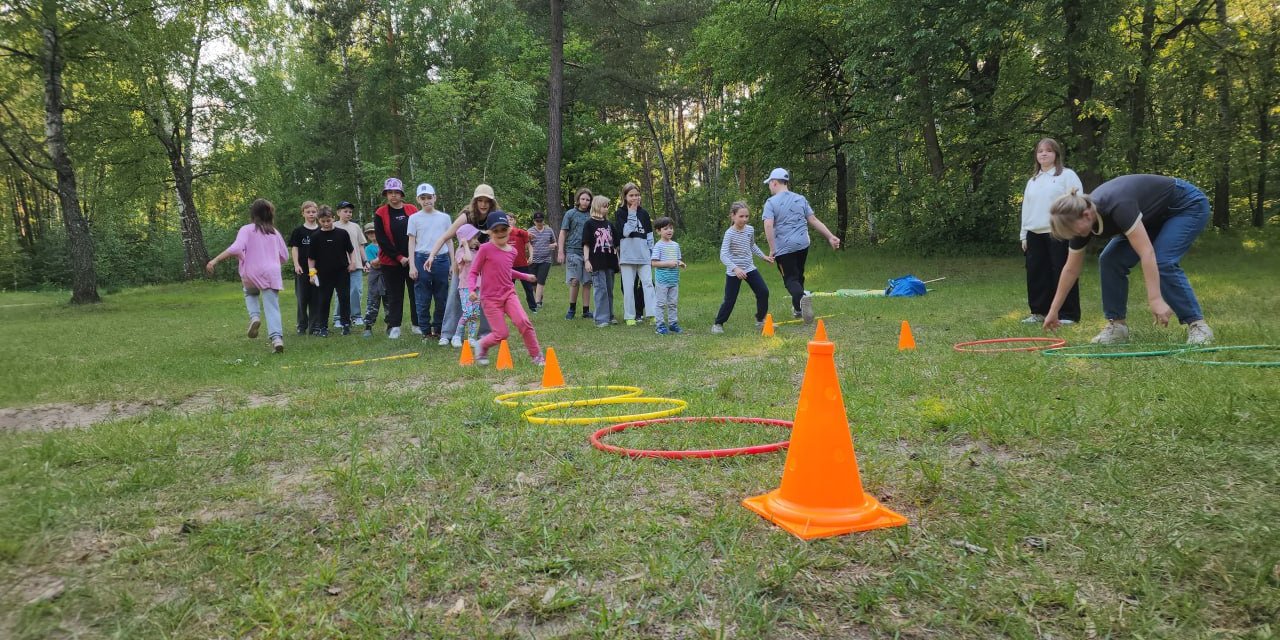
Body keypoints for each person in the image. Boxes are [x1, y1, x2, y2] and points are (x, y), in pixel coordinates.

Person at [1044, 175, 1214, 345]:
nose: (1073, 236)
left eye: (1073, 230)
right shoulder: (1078, 222)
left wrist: (1155, 299)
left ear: (1087, 215)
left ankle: (1198, 325)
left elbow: (1147, 253)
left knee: (1164, 261)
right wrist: (1054, 310)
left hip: (1185, 206)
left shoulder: (1118, 206)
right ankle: (1117, 327)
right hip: (1151, 218)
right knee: (1110, 259)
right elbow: (1071, 269)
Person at [206, 198, 290, 353]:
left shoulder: (246, 229)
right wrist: (271, 260)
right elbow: (284, 256)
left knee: (250, 293)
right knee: (272, 307)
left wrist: (215, 260)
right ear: (269, 214)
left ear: (253, 214)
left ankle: (255, 316)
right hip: (271, 272)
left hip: (251, 271)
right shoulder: (274, 232)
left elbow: (236, 248)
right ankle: (277, 339)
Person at [761, 168, 840, 324]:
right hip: (802, 245)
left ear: (775, 182)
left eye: (769, 183)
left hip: (784, 248)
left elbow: (768, 225)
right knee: (798, 276)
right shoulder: (800, 199)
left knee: (790, 280)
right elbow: (813, 220)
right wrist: (830, 237)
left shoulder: (771, 203)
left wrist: (772, 248)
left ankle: (802, 296)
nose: (769, 186)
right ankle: (798, 309)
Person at [426, 185, 499, 346]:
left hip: (485, 265)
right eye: (480, 200)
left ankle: (485, 333)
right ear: (474, 201)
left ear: (492, 203)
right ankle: (448, 333)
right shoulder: (467, 217)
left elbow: (502, 237)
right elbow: (445, 237)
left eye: (487, 201)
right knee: (456, 297)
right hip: (464, 264)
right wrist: (431, 255)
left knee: (486, 298)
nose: (483, 204)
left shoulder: (495, 217)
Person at [467, 212, 543, 366]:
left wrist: (525, 276)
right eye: (496, 230)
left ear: (510, 229)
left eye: (504, 229)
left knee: (524, 322)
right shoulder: (485, 249)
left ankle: (537, 356)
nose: (500, 233)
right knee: (501, 334)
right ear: (489, 232)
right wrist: (472, 290)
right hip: (490, 298)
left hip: (509, 294)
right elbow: (474, 271)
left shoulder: (513, 251)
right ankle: (482, 344)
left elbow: (507, 270)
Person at [1020, 139, 1082, 325]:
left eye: (1048, 151)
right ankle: (1038, 312)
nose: (1044, 154)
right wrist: (1024, 234)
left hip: (1059, 231)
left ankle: (1067, 314)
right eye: (1040, 151)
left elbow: (1078, 202)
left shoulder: (1067, 176)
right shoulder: (1033, 181)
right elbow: (1026, 208)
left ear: (1056, 154)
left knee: (1062, 271)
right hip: (1034, 233)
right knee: (1037, 273)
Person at [712, 202, 774, 334]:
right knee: (730, 299)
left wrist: (763, 257)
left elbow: (752, 245)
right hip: (734, 271)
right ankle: (718, 324)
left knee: (763, 292)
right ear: (733, 216)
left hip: (749, 267)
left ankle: (760, 320)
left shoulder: (750, 230)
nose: (744, 219)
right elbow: (723, 255)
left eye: (747, 216)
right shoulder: (729, 233)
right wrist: (735, 269)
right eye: (741, 216)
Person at [371, 178, 419, 339]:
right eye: (390, 193)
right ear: (386, 194)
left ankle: (417, 324)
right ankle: (395, 326)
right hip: (390, 261)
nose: (393, 196)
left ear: (401, 194)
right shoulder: (380, 212)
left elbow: (419, 231)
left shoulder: (412, 209)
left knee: (415, 293)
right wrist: (399, 257)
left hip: (412, 259)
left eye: (396, 192)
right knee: (394, 294)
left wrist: (411, 258)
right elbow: (381, 239)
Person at [407, 183, 452, 340]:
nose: (427, 201)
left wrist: (452, 263)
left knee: (442, 297)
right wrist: (412, 265)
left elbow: (449, 241)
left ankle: (439, 328)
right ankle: (425, 331)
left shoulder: (444, 218)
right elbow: (411, 242)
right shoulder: (413, 218)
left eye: (429, 197)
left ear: (435, 197)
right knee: (422, 298)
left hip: (441, 260)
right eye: (423, 198)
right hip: (421, 258)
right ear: (418, 200)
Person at [306, 206, 356, 337]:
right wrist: (312, 274)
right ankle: (323, 327)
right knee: (324, 300)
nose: (326, 224)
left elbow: (351, 250)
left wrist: (353, 263)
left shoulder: (342, 233)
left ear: (333, 218)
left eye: (328, 220)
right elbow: (311, 258)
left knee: (344, 298)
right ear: (319, 221)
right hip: (323, 273)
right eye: (323, 221)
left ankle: (346, 325)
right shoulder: (315, 236)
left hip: (342, 271)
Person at [615, 183, 656, 325]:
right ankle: (630, 316)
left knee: (648, 284)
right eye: (631, 195)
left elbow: (649, 235)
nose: (634, 198)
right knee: (628, 287)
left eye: (637, 195)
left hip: (644, 256)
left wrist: (652, 253)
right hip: (627, 256)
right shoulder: (620, 213)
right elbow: (625, 232)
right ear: (625, 197)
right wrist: (632, 213)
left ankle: (652, 314)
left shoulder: (644, 213)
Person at [582, 195, 619, 328]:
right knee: (600, 289)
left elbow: (615, 244)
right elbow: (586, 244)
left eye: (607, 206)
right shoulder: (589, 224)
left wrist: (618, 260)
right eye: (604, 206)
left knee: (609, 289)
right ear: (597, 206)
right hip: (596, 262)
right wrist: (586, 260)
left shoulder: (609, 224)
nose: (606, 209)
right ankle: (600, 319)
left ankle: (609, 315)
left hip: (610, 261)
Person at [558, 188, 594, 320]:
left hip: (588, 253)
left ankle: (586, 310)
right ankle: (572, 308)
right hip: (573, 251)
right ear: (578, 199)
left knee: (587, 282)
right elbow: (563, 232)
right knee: (574, 280)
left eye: (588, 200)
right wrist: (561, 251)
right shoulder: (570, 214)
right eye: (583, 199)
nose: (585, 202)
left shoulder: (592, 215)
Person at [286, 201, 320, 335]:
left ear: (317, 212)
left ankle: (315, 326)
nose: (311, 214)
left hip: (318, 270)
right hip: (302, 269)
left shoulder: (321, 229)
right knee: (302, 297)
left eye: (313, 212)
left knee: (316, 298)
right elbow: (295, 249)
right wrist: (296, 265)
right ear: (303, 214)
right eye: (308, 212)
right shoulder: (298, 231)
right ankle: (301, 325)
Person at [332, 201, 366, 328]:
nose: (348, 214)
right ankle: (338, 317)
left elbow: (361, 245)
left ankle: (356, 316)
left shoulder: (355, 227)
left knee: (356, 291)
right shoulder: (333, 226)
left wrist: (365, 261)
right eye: (345, 211)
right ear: (338, 212)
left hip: (356, 264)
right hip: (339, 265)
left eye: (350, 212)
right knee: (340, 292)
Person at [649, 216, 685, 335]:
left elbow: (677, 259)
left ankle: (673, 324)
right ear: (658, 231)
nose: (669, 231)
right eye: (665, 228)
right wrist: (668, 263)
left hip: (674, 280)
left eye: (671, 228)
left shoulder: (675, 245)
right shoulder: (658, 246)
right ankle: (659, 325)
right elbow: (653, 263)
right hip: (662, 281)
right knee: (660, 303)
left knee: (673, 303)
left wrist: (681, 263)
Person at [452, 223, 483, 349]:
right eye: (474, 238)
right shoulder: (460, 252)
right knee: (467, 313)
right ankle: (457, 336)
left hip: (477, 287)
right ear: (465, 238)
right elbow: (468, 260)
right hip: (465, 287)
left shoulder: (476, 252)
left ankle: (471, 338)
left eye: (477, 238)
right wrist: (464, 245)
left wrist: (480, 248)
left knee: (475, 313)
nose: (476, 241)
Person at [507, 211, 536, 311]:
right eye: (507, 220)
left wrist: (531, 256)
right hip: (508, 266)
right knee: (508, 288)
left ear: (515, 221)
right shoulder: (502, 234)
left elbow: (529, 245)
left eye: (511, 219)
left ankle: (533, 307)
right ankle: (508, 307)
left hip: (522, 264)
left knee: (528, 286)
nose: (509, 221)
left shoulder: (521, 233)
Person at [361, 223, 387, 336]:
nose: (372, 234)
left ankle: (391, 326)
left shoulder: (385, 244)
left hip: (388, 276)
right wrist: (386, 256)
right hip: (375, 277)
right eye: (369, 233)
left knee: (389, 300)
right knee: (372, 301)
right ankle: (368, 327)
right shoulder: (369, 248)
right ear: (366, 235)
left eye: (374, 231)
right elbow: (374, 264)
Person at [528, 211, 557, 312]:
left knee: (541, 281)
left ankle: (537, 303)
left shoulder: (549, 230)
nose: (539, 223)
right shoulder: (530, 231)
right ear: (534, 221)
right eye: (537, 221)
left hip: (546, 260)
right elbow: (528, 244)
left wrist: (553, 245)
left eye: (540, 221)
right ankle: (539, 296)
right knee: (533, 282)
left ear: (543, 221)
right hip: (533, 260)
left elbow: (554, 242)